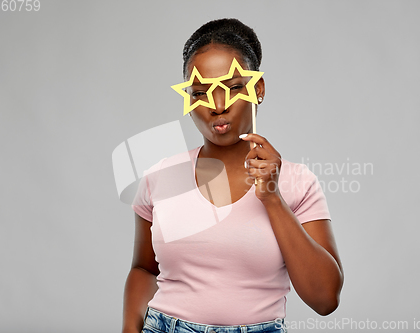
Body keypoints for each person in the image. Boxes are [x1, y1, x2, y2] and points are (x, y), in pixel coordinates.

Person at [122, 18, 343, 333]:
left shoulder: (297, 182)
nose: (218, 105)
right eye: (201, 92)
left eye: (233, 87)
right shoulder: (161, 177)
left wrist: (272, 198)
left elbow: (325, 299)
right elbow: (144, 269)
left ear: (258, 88)